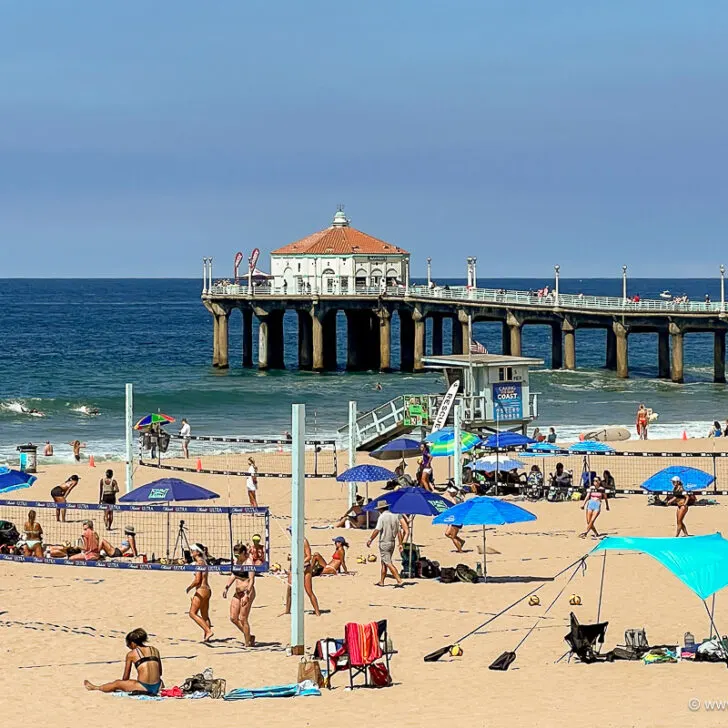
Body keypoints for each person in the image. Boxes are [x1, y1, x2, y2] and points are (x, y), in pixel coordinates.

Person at [84, 627, 163, 695]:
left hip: (143, 687)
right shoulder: (155, 650)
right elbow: (160, 672)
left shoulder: (131, 654)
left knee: (117, 683)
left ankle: (95, 687)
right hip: (159, 686)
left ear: (132, 643)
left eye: (128, 644)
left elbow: (125, 677)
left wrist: (124, 685)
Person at [283, 528, 322, 616]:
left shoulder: (304, 541)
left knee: (309, 591)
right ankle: (287, 611)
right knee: (289, 589)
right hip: (294, 567)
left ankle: (317, 612)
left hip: (305, 568)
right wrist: (290, 559)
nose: (290, 533)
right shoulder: (293, 541)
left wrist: (299, 563)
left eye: (291, 531)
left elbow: (308, 556)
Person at [224, 543, 256, 646]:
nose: (236, 556)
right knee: (233, 618)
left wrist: (247, 594)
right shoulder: (236, 561)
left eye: (238, 554)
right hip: (238, 592)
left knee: (243, 618)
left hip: (247, 592)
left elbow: (251, 580)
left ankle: (247, 643)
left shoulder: (249, 562)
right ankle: (249, 636)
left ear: (243, 553)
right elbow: (234, 574)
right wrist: (227, 587)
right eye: (235, 555)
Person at [366, 501, 404, 587]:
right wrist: (400, 543)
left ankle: (399, 580)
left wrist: (370, 539)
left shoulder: (382, 517)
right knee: (384, 562)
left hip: (384, 542)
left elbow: (377, 529)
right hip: (392, 542)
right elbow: (399, 532)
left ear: (380, 509)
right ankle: (381, 581)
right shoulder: (395, 516)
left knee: (388, 562)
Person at [186, 544, 213, 642]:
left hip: (201, 589)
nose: (191, 552)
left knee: (192, 613)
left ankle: (208, 631)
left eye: (193, 550)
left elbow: (198, 580)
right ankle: (207, 637)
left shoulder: (198, 563)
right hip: (207, 590)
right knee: (205, 615)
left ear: (198, 552)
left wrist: (189, 587)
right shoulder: (204, 562)